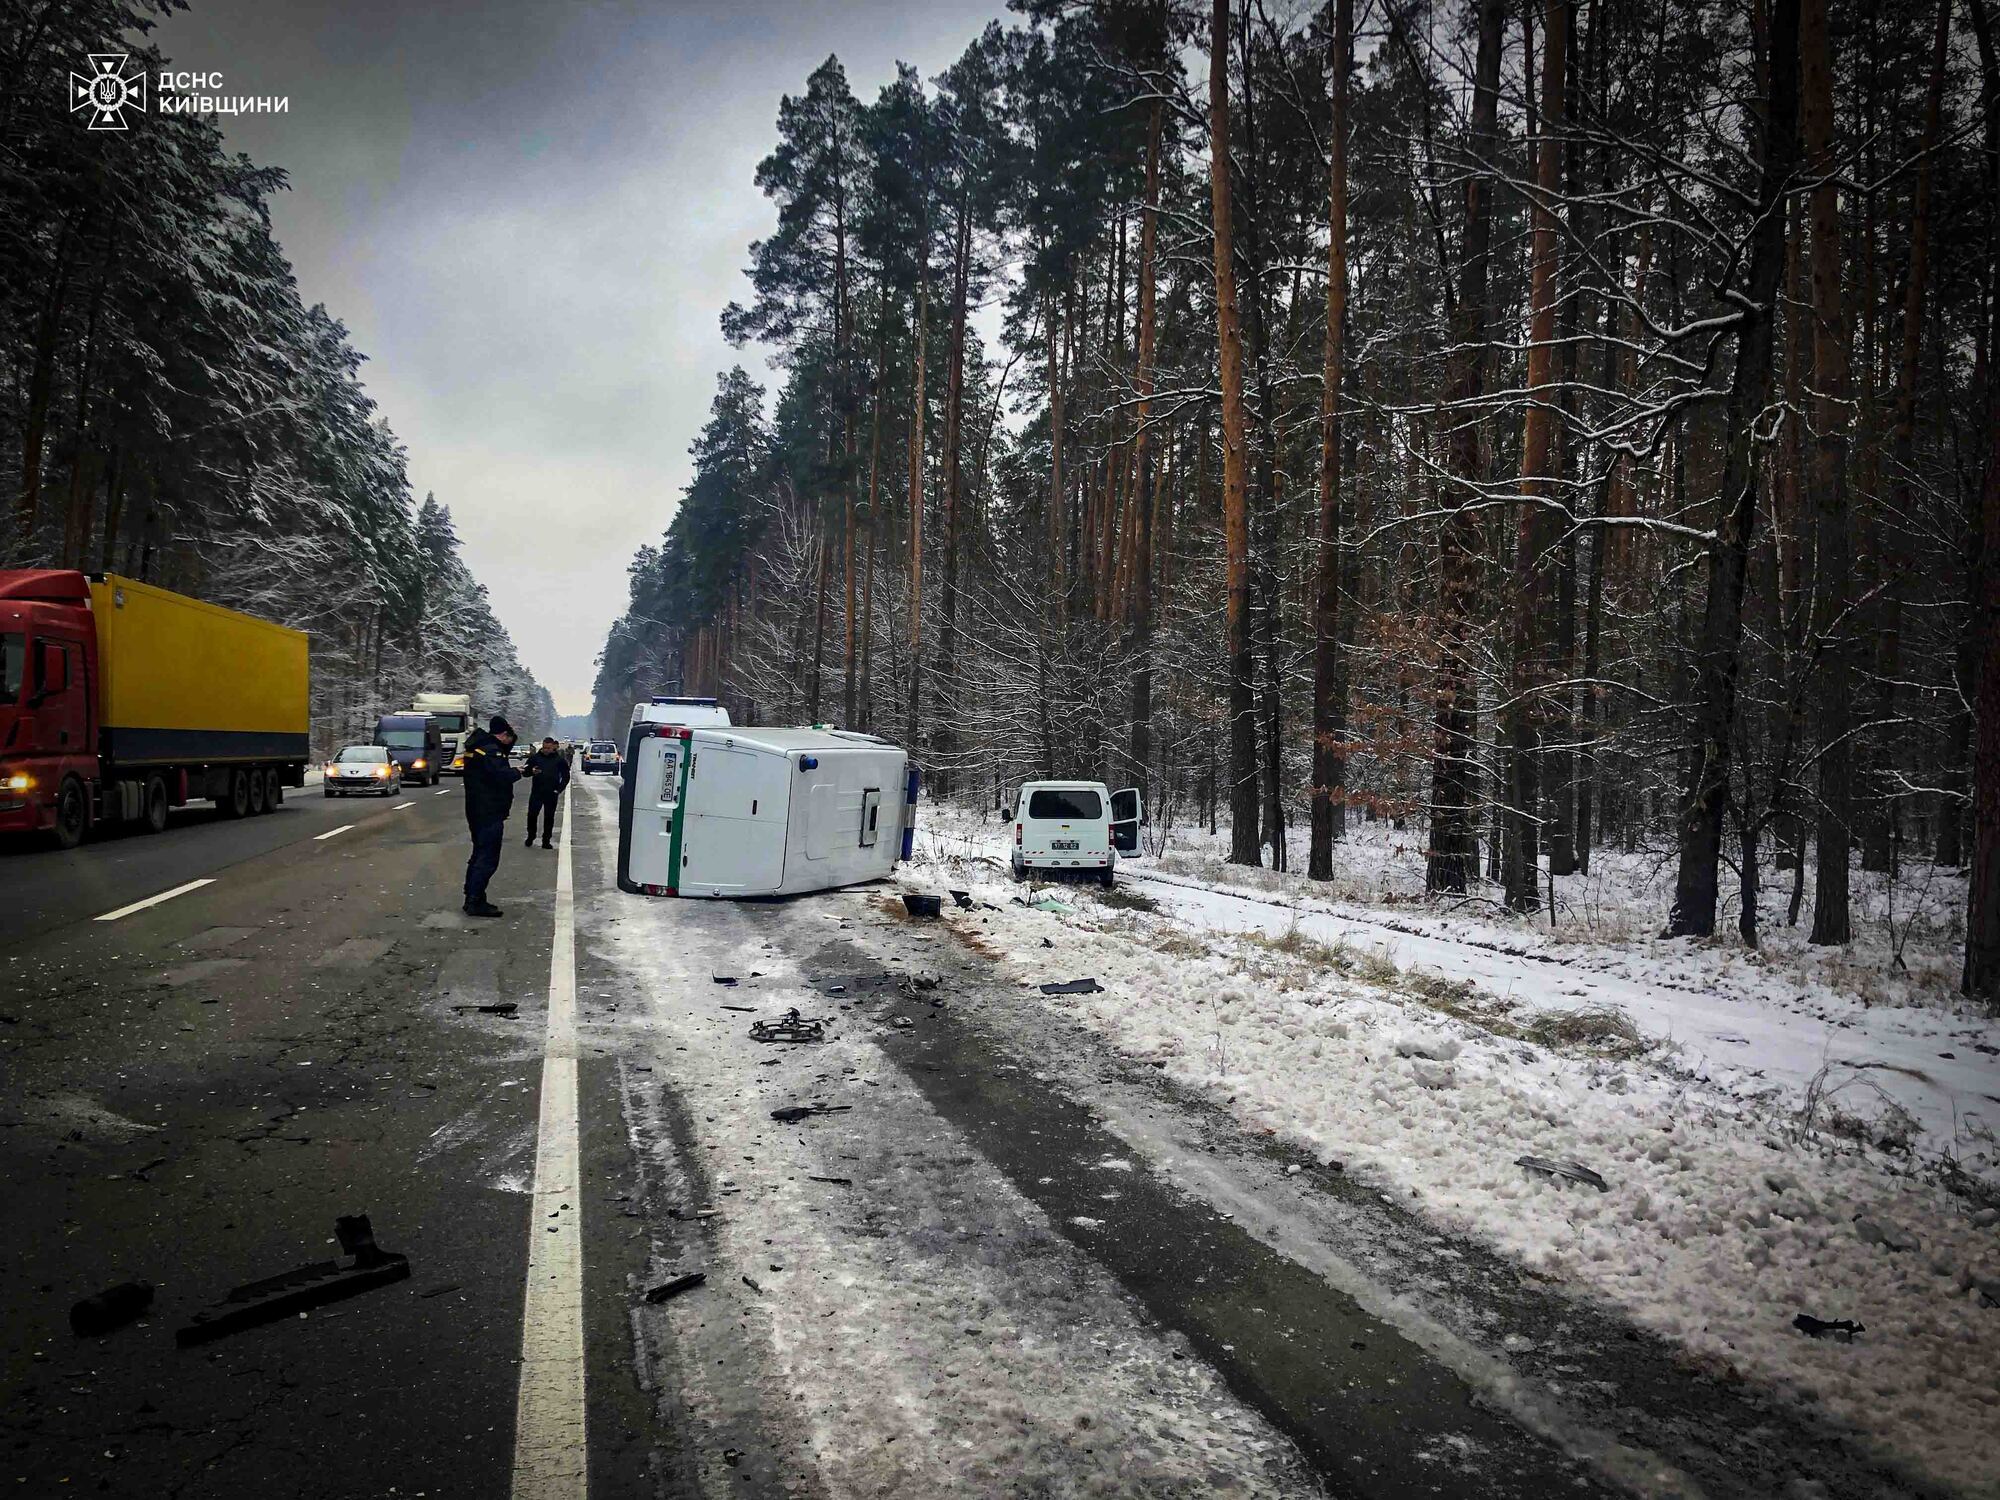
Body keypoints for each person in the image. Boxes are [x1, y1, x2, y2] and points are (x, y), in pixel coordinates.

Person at [461, 715, 521, 917]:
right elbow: (500, 776)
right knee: (487, 857)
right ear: (504, 735)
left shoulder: (479, 747)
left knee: (478, 854)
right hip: (488, 810)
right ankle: (475, 900)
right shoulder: (492, 751)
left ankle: (473, 895)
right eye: (510, 738)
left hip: (477, 809)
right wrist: (519, 772)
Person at [523, 736, 571, 849]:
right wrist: (531, 771)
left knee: (549, 817)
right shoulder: (535, 758)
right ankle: (531, 835)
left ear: (553, 747)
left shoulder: (559, 760)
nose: (546, 750)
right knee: (532, 815)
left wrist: (559, 789)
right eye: (544, 748)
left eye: (548, 748)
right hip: (537, 792)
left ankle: (546, 840)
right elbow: (525, 772)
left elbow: (566, 776)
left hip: (551, 793)